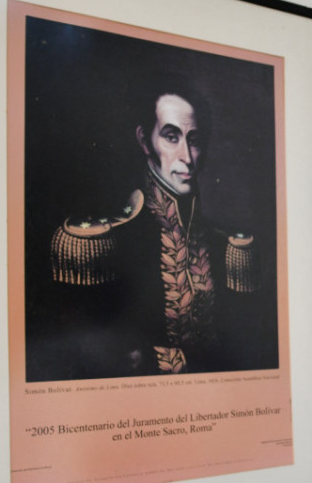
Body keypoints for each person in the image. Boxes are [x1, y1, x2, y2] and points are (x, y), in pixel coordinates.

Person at [37, 77, 273, 380]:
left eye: (195, 141)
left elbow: (249, 358)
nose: (187, 157)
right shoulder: (101, 243)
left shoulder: (230, 247)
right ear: (144, 141)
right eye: (171, 137)